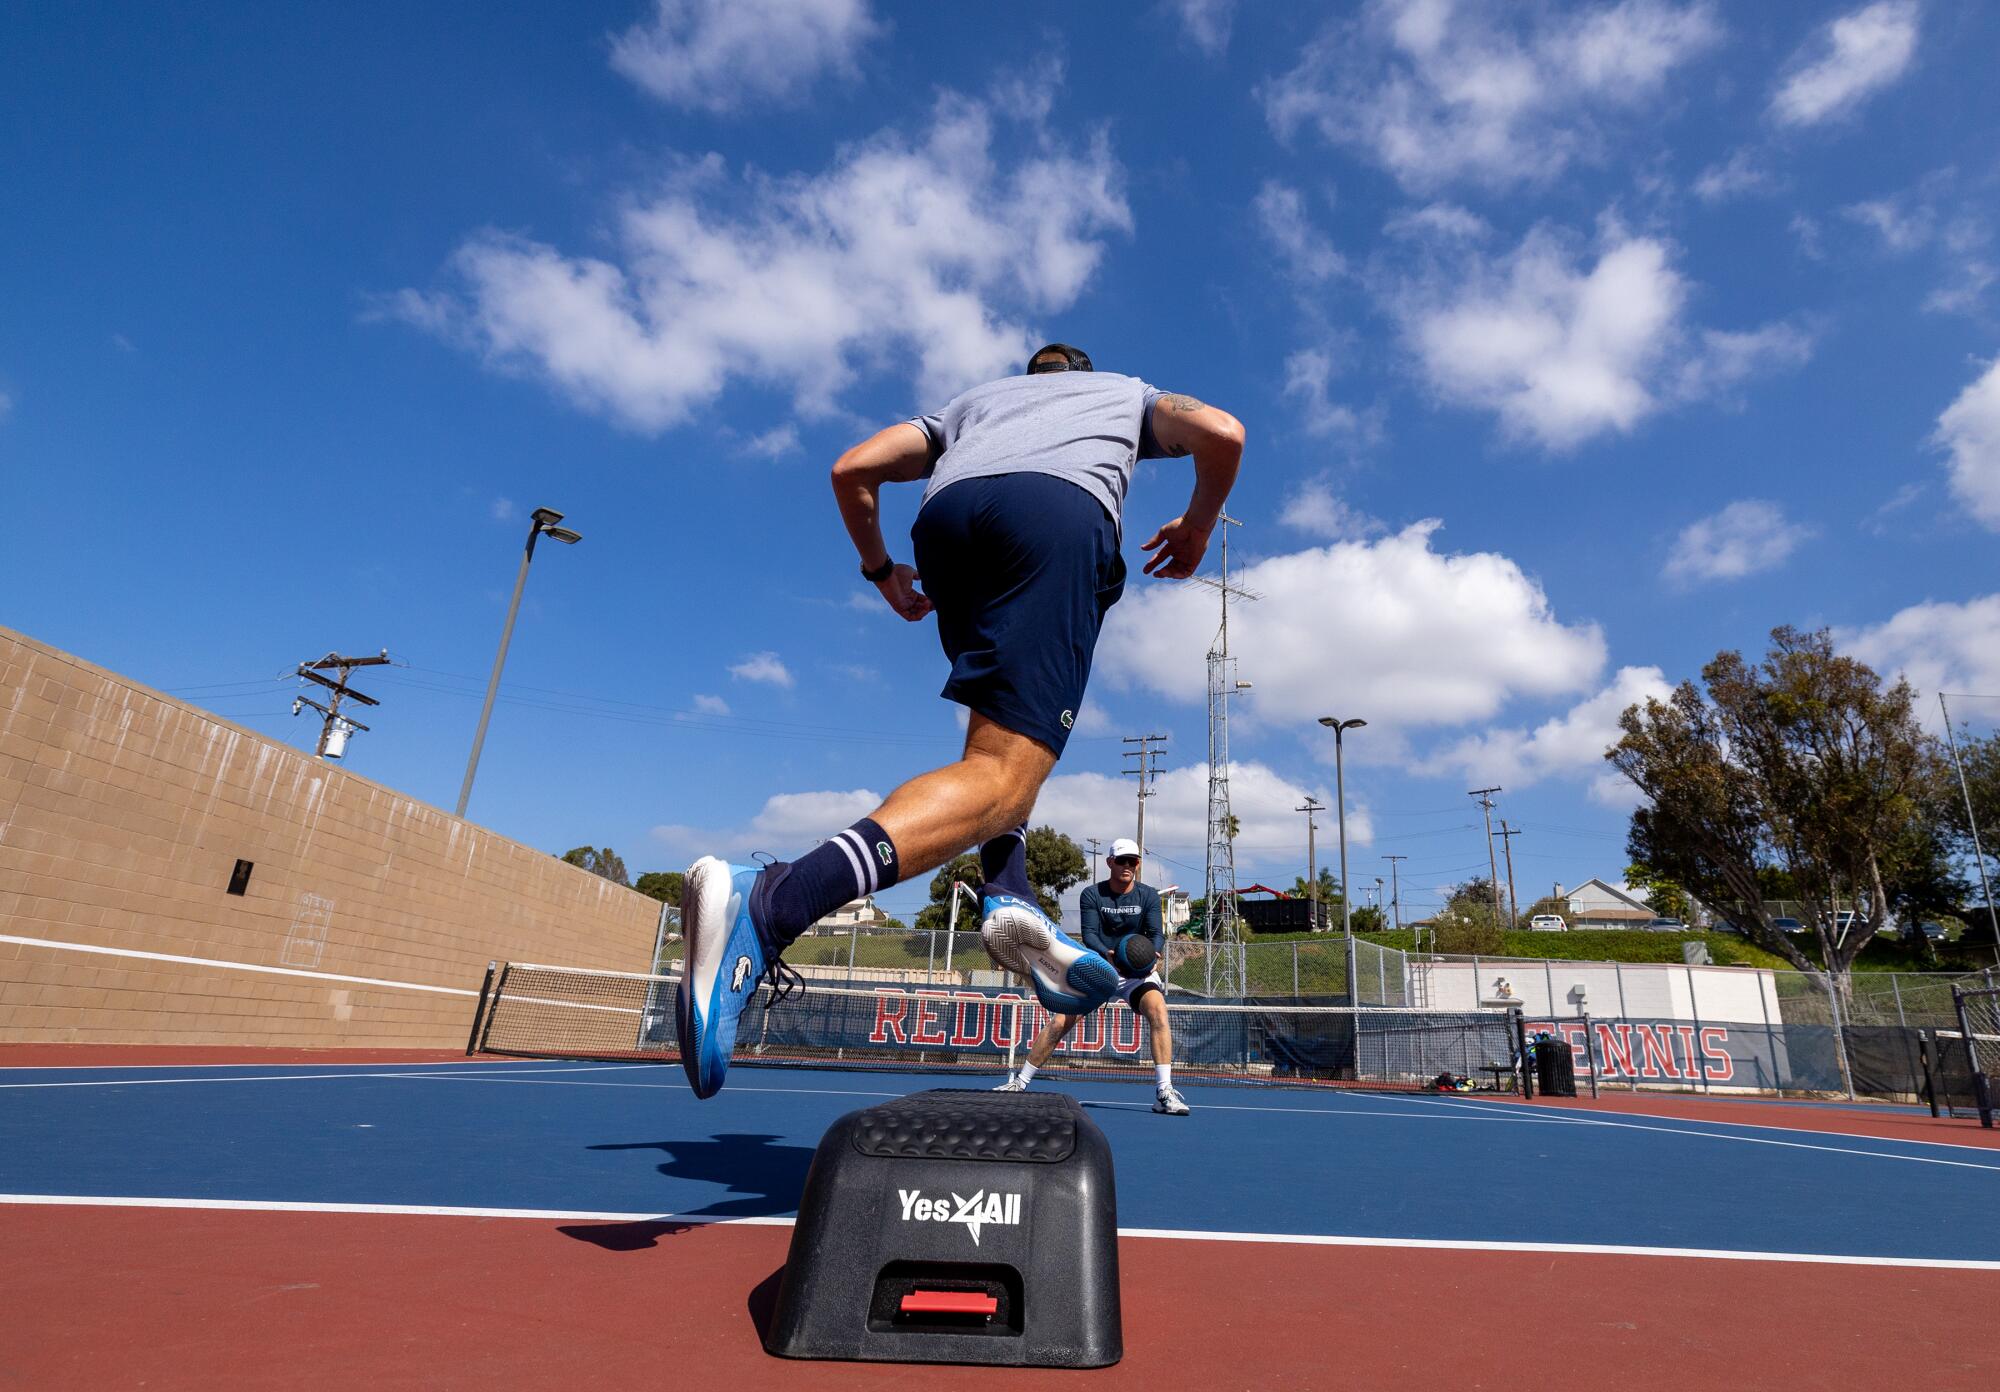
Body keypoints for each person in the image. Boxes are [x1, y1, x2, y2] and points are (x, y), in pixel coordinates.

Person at [675, 342, 1245, 1098]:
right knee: (1008, 776)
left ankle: (1009, 886)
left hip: (946, 524)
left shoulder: (969, 408)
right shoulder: (1123, 395)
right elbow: (1224, 434)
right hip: (1053, 516)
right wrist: (1199, 525)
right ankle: (775, 900)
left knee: (993, 742)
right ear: (1082, 376)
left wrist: (880, 570)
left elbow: (852, 469)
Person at [994, 837, 1187, 1115]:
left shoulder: (1148, 896)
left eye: (1132, 861)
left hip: (1136, 974)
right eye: (1121, 860)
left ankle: (1164, 1092)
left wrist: (1152, 952)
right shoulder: (1092, 895)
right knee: (1061, 1021)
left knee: (1158, 1011)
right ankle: (1020, 1082)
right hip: (1101, 968)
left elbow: (1157, 934)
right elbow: (1090, 935)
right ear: (1110, 862)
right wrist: (1108, 954)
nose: (1127, 866)